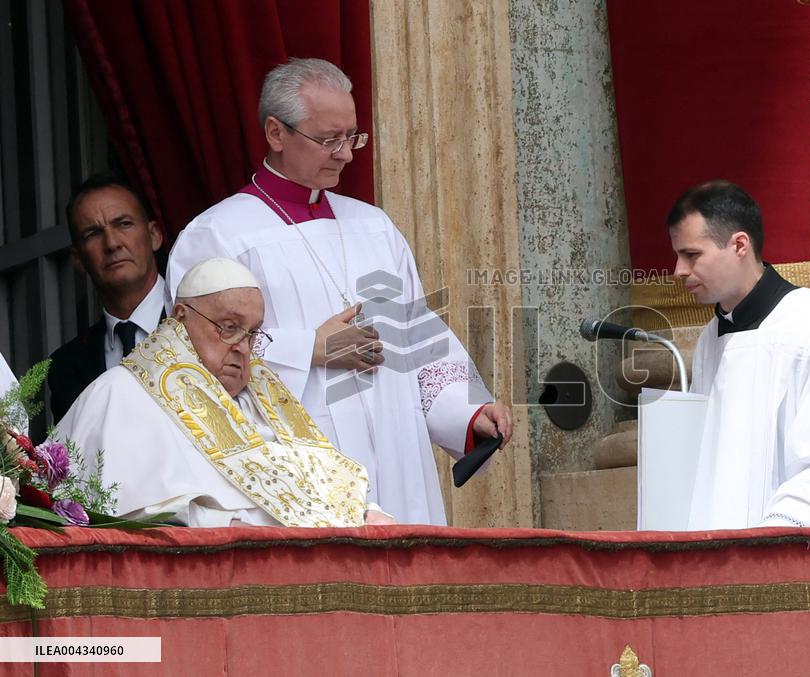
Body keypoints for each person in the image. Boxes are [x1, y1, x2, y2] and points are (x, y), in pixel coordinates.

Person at [166, 58, 512, 525]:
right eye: (330, 139)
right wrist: (309, 348)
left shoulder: (375, 228)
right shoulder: (217, 236)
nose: (346, 153)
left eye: (352, 137)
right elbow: (193, 364)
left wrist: (468, 413)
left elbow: (420, 343)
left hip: (397, 457)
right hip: (301, 473)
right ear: (275, 133)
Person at [52, 258, 392, 527]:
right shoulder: (120, 394)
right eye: (229, 328)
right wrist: (222, 522)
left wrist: (364, 511)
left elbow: (311, 482)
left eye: (253, 333)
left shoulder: (263, 397)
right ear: (181, 317)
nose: (243, 348)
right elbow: (125, 511)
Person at [668, 180, 810, 531]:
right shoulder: (710, 340)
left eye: (691, 254)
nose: (679, 270)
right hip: (721, 550)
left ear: (739, 244)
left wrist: (770, 538)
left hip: (790, 552)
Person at [48, 175, 166, 422]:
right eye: (92, 234)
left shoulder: (206, 323)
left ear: (154, 235)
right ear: (78, 259)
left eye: (123, 224)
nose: (112, 244)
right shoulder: (66, 366)